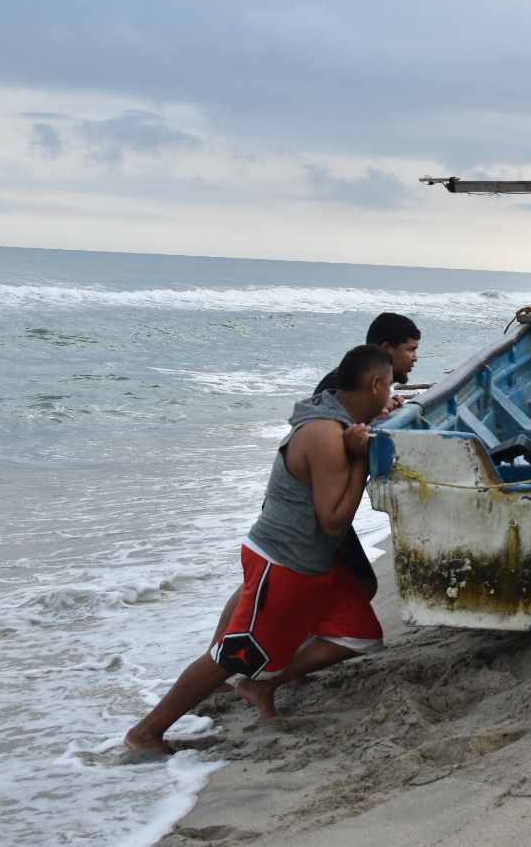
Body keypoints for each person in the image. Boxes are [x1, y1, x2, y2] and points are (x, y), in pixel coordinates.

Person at [125, 345, 395, 754]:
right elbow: (334, 521)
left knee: (360, 634)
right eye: (388, 384)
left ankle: (262, 684)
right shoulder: (326, 434)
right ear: (375, 383)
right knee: (233, 655)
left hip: (313, 563)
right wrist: (360, 460)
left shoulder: (339, 421)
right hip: (282, 560)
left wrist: (370, 430)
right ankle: (146, 732)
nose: (390, 390)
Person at [205, 313, 421, 649]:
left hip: (324, 496)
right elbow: (332, 437)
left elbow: (349, 423)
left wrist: (377, 414)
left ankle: (273, 652)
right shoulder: (337, 386)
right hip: (310, 500)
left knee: (349, 583)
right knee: (280, 584)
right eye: (411, 350)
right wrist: (364, 447)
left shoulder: (355, 385)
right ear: (385, 352)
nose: (415, 358)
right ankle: (225, 653)